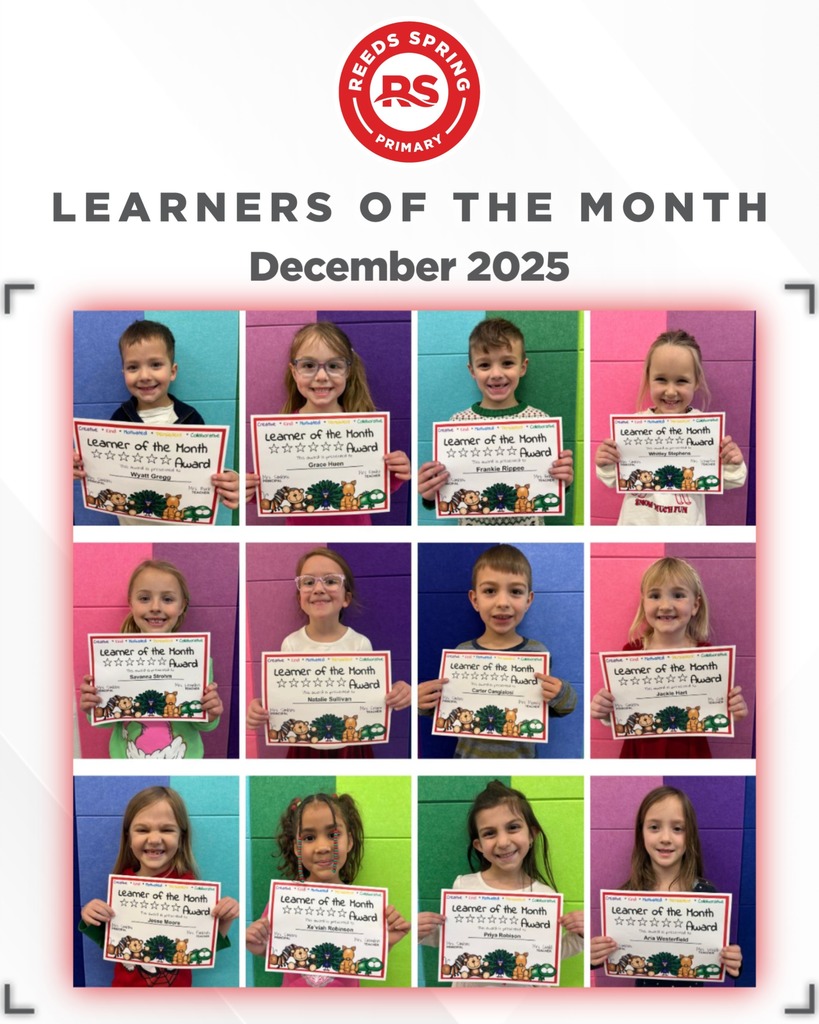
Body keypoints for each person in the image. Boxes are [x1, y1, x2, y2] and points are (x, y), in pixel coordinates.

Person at [246, 548, 411, 758]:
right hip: (304, 744)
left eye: (331, 581)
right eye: (308, 582)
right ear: (300, 599)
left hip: (351, 745)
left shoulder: (359, 644)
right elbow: (285, 699)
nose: (318, 588)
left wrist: (398, 693)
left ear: (346, 598)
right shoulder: (291, 645)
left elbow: (372, 700)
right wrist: (261, 706)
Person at [417, 780, 583, 987]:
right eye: (489, 833)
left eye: (513, 827)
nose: (503, 842)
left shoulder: (545, 895)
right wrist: (422, 932)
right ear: (478, 845)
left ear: (532, 835)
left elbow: (552, 953)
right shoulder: (463, 887)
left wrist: (580, 935)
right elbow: (453, 943)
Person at [418, 544, 576, 758]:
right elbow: (446, 709)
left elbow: (564, 707)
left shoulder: (537, 653)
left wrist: (560, 693)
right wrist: (423, 704)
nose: (503, 602)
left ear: (528, 600)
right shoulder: (460, 654)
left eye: (516, 592)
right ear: (475, 600)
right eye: (490, 591)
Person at [245, 321, 411, 524]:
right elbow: (270, 486)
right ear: (294, 371)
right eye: (308, 366)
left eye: (333, 366)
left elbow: (376, 487)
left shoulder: (364, 429)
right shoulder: (279, 433)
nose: (322, 376)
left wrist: (396, 472)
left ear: (348, 371)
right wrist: (250, 488)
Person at [417, 317, 574, 525]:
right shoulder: (457, 425)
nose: (497, 374)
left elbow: (549, 486)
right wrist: (430, 494)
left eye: (507, 363)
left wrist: (564, 480)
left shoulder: (540, 422)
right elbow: (448, 491)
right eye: (484, 365)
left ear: (523, 367)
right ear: (472, 371)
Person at [78, 785, 239, 987]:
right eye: (142, 830)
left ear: (181, 838)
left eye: (166, 829)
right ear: (128, 838)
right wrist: (90, 914)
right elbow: (110, 941)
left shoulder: (191, 889)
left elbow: (205, 948)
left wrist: (226, 917)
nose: (154, 839)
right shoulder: (122, 885)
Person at [73, 319, 239, 511]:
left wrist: (228, 483)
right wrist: (79, 465)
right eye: (133, 367)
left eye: (156, 364)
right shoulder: (119, 419)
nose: (144, 376)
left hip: (181, 525)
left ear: (173, 371)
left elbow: (205, 475)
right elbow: (102, 472)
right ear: (123, 372)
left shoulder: (191, 419)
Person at [245, 792, 410, 986]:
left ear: (349, 841)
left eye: (333, 835)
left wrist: (386, 942)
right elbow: (276, 952)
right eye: (309, 838)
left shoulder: (364, 907)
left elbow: (364, 957)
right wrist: (259, 945)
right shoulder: (282, 903)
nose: (322, 847)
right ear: (297, 848)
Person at [590, 556, 748, 759]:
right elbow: (624, 712)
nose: (665, 605)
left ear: (695, 606)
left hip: (691, 754)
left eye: (678, 595)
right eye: (655, 596)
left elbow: (715, 711)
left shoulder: (707, 656)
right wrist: (605, 711)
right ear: (644, 603)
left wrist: (733, 712)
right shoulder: (630, 653)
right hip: (640, 751)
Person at [590, 785, 743, 985]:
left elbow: (716, 951)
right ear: (641, 833)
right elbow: (613, 954)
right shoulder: (627, 897)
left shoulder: (706, 893)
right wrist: (593, 957)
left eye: (677, 829)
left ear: (690, 836)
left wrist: (733, 960)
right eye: (654, 827)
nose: (665, 838)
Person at [594, 329, 746, 525]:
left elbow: (732, 480)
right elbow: (614, 479)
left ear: (697, 382)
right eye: (661, 379)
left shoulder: (706, 429)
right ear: (648, 378)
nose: (671, 391)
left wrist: (733, 463)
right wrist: (605, 463)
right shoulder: (632, 427)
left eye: (681, 381)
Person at [79, 559, 225, 758]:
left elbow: (203, 724)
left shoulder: (198, 658)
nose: (156, 607)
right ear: (131, 603)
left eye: (167, 599)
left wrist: (211, 712)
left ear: (182, 606)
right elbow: (107, 721)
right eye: (145, 598)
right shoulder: (112, 658)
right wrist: (92, 706)